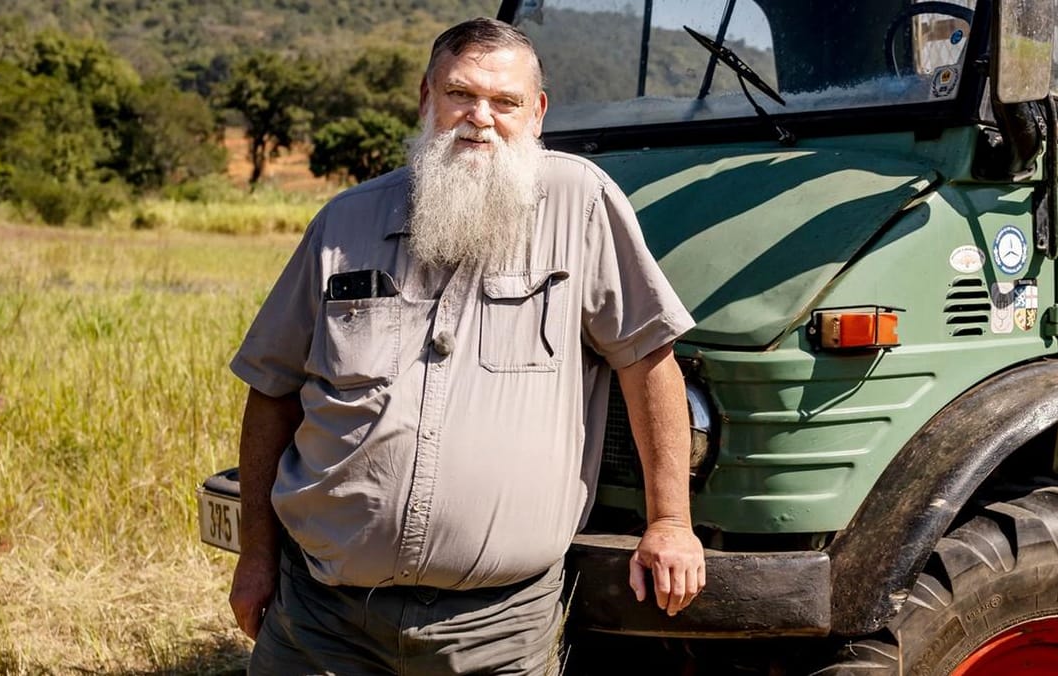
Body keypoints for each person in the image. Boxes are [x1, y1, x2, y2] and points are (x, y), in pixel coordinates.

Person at [228, 17, 706, 675]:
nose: (480, 119)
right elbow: (272, 390)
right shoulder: (344, 221)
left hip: (496, 629)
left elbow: (647, 361)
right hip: (323, 617)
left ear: (535, 114)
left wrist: (670, 524)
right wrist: (256, 558)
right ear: (427, 100)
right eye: (460, 95)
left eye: (504, 102)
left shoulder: (581, 204)